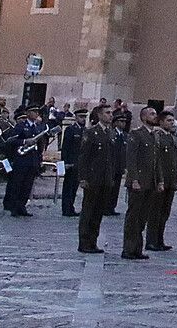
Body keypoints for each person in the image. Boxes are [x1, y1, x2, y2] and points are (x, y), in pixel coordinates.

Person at [122, 105, 163, 260]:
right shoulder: (136, 134)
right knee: (133, 217)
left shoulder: (155, 135)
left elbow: (156, 160)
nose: (155, 116)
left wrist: (159, 180)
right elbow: (131, 159)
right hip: (138, 182)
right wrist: (134, 179)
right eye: (152, 114)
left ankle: (137, 248)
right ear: (144, 117)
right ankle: (128, 248)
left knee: (142, 217)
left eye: (155, 113)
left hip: (150, 182)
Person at [78, 103, 116, 253]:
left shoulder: (111, 133)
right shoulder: (91, 132)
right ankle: (84, 242)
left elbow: (112, 158)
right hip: (92, 178)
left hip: (105, 179)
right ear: (100, 115)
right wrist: (83, 177)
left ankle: (93, 241)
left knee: (98, 212)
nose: (110, 116)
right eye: (107, 113)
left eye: (111, 113)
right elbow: (84, 157)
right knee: (88, 211)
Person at [146, 111, 177, 251]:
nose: (172, 123)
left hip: (170, 181)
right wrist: (159, 180)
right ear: (160, 122)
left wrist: (176, 179)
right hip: (160, 181)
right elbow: (156, 161)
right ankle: (151, 241)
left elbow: (175, 162)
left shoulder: (172, 138)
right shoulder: (157, 137)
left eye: (173, 121)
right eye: (168, 121)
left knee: (164, 212)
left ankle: (160, 239)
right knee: (155, 212)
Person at [60, 110, 87, 216]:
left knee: (74, 187)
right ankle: (66, 209)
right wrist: (65, 162)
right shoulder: (70, 130)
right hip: (71, 163)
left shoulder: (85, 130)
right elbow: (65, 147)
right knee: (68, 187)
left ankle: (71, 207)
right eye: (81, 117)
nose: (83, 119)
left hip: (79, 164)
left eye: (84, 117)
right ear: (76, 117)